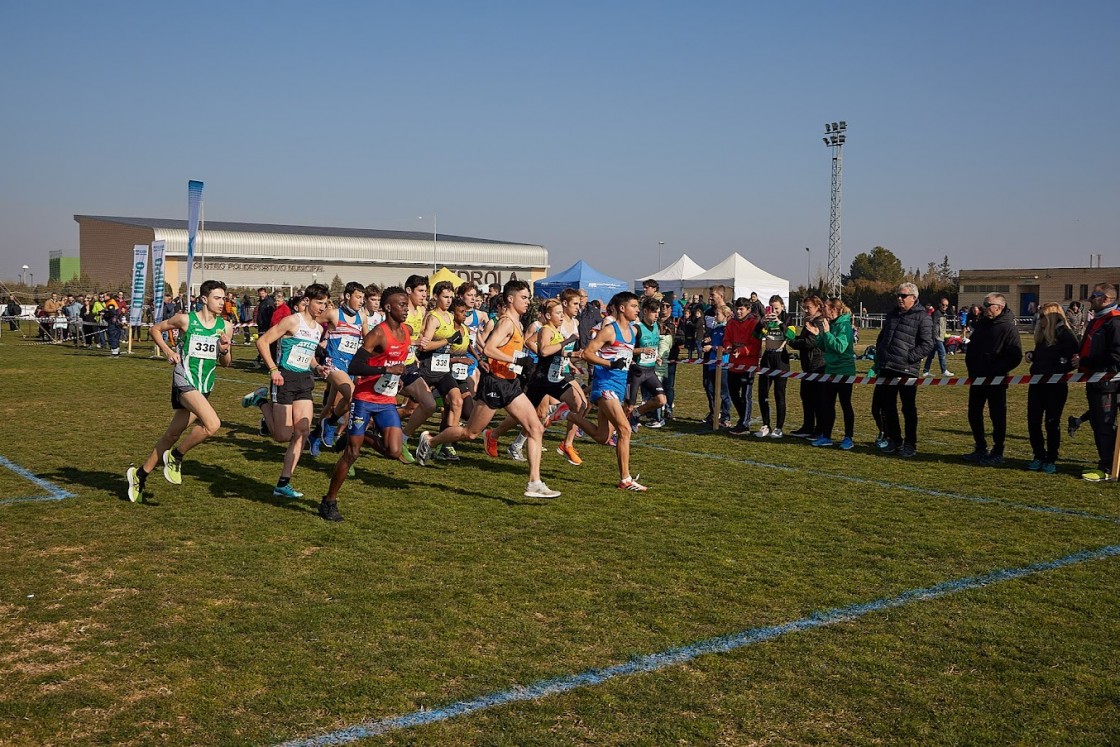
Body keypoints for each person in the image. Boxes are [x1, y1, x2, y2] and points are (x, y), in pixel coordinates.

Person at [414, 279, 562, 499]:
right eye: (523, 297)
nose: (527, 302)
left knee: (535, 428)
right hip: (495, 384)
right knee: (470, 433)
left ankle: (534, 482)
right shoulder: (506, 323)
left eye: (528, 298)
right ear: (510, 299)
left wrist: (519, 366)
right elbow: (490, 349)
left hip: (510, 384)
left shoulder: (518, 323)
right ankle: (430, 441)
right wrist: (516, 360)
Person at [125, 280, 233, 502]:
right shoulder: (186, 319)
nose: (222, 302)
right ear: (204, 299)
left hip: (204, 387)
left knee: (172, 435)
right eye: (217, 298)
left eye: (224, 298)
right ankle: (176, 456)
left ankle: (140, 475)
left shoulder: (226, 327)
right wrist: (167, 351)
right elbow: (156, 329)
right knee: (212, 425)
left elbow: (226, 363)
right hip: (184, 380)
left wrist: (224, 350)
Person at [318, 287, 411, 522]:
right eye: (401, 305)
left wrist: (397, 378)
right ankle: (329, 501)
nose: (406, 309)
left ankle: (361, 436)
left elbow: (396, 363)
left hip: (387, 400)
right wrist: (386, 370)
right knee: (352, 453)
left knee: (394, 451)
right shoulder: (377, 334)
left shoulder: (406, 333)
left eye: (407, 305)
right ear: (388, 308)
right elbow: (355, 367)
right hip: (365, 399)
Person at [245, 283, 329, 498]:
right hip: (284, 378)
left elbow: (308, 354)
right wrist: (273, 369)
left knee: (302, 431)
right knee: (282, 435)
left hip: (304, 381)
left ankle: (283, 483)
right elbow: (263, 342)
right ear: (307, 301)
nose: (322, 307)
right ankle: (261, 401)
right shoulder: (292, 320)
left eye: (325, 303)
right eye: (319, 302)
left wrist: (317, 366)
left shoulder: (318, 329)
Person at [873, 282, 935, 457]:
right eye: (898, 295)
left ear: (914, 298)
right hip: (887, 367)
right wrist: (881, 352)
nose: (899, 299)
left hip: (906, 370)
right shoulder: (892, 314)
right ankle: (894, 439)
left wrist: (909, 357)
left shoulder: (923, 317)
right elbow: (883, 335)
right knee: (887, 406)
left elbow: (927, 344)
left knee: (908, 408)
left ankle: (910, 443)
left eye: (903, 296)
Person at [962, 293, 1022, 465]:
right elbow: (972, 348)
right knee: (974, 414)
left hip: (996, 380)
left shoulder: (1008, 328)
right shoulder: (981, 324)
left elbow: (1015, 356)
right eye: (984, 304)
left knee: (997, 416)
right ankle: (980, 447)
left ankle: (998, 450)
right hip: (977, 379)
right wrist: (972, 369)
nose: (984, 307)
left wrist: (995, 370)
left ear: (999, 307)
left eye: (988, 304)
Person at [311, 282, 368, 455]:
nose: (361, 301)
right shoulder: (334, 314)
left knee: (331, 404)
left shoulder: (362, 317)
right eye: (358, 297)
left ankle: (315, 435)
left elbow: (368, 341)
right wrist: (317, 343)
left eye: (363, 298)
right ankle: (330, 424)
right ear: (348, 296)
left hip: (350, 366)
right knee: (353, 395)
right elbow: (311, 324)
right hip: (333, 363)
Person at [1024, 302, 1079, 474]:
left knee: (1052, 422)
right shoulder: (1043, 337)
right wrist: (1032, 356)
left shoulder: (1066, 335)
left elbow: (1073, 361)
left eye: (1042, 316)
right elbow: (1041, 355)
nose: (1039, 320)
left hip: (1055, 386)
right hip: (1037, 384)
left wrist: (1057, 370)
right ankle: (1038, 455)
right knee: (1033, 421)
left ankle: (1051, 457)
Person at [1076, 283, 1120, 481]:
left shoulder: (1114, 322)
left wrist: (1085, 361)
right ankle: (1108, 463)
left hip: (1108, 382)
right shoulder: (1098, 320)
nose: (1089, 299)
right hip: (1095, 380)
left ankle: (1108, 468)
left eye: (1093, 296)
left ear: (1106, 299)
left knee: (1104, 423)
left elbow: (1117, 356)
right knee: (1097, 422)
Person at [808, 298, 857, 449]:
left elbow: (840, 347)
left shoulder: (845, 325)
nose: (823, 311)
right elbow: (826, 347)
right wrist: (818, 335)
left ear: (834, 310)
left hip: (844, 371)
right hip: (830, 370)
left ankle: (848, 437)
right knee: (827, 405)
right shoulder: (830, 324)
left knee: (845, 404)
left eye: (825, 308)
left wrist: (827, 333)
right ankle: (826, 436)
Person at [786, 295, 825, 439]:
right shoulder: (810, 321)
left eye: (808, 307)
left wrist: (791, 341)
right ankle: (807, 426)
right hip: (808, 367)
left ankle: (819, 429)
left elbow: (809, 342)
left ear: (818, 308)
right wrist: (791, 337)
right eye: (804, 307)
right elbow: (804, 340)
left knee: (817, 400)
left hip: (818, 366)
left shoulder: (819, 322)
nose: (805, 310)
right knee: (807, 397)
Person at [626, 297, 668, 428]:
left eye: (658, 312)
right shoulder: (636, 329)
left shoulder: (656, 326)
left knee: (661, 400)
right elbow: (626, 349)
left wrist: (656, 357)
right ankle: (617, 430)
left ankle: (637, 414)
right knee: (628, 407)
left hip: (650, 371)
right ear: (645, 311)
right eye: (653, 312)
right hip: (636, 372)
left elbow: (653, 346)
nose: (656, 315)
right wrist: (643, 350)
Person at [753, 295, 791, 438]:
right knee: (763, 393)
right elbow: (756, 335)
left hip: (781, 358)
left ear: (782, 307)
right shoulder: (767, 321)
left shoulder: (786, 318)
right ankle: (766, 425)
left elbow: (791, 335)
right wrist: (761, 323)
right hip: (767, 357)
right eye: (771, 307)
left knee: (779, 394)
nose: (774, 311)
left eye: (776, 308)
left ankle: (778, 428)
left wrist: (779, 322)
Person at [723, 298, 762, 435]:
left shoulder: (754, 323)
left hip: (748, 365)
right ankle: (742, 418)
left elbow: (756, 346)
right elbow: (727, 338)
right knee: (733, 392)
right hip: (734, 364)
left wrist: (741, 351)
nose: (738, 312)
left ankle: (744, 424)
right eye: (737, 309)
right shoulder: (731, 323)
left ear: (748, 310)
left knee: (746, 395)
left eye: (741, 309)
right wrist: (727, 346)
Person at [701, 304, 732, 428]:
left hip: (723, 365)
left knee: (724, 393)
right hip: (712, 364)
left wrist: (712, 347)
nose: (715, 317)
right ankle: (714, 414)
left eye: (718, 314)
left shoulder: (727, 329)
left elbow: (727, 348)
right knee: (710, 389)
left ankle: (726, 417)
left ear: (725, 316)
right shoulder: (716, 329)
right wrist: (708, 341)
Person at [922, 297, 955, 378]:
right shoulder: (936, 313)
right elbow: (932, 325)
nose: (945, 307)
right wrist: (933, 337)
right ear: (939, 304)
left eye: (946, 305)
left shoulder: (944, 314)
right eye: (943, 305)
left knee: (931, 355)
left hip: (940, 337)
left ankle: (926, 371)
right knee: (942, 353)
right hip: (936, 337)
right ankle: (944, 371)